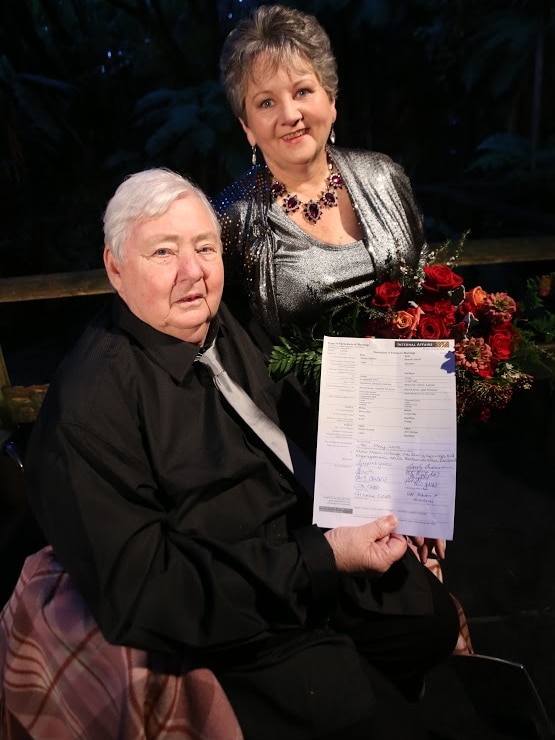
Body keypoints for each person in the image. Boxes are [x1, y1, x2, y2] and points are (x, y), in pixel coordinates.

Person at [21, 168, 458, 740]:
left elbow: (304, 416)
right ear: (114, 268)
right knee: (366, 709)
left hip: (309, 544)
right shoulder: (89, 408)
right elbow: (148, 589)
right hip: (242, 613)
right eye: (163, 252)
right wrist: (320, 560)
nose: (193, 273)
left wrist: (401, 490)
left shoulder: (227, 321)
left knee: (431, 620)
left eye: (206, 247)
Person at [213, 4, 428, 349]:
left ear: (330, 100)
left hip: (407, 396)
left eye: (302, 92)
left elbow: (428, 287)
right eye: (266, 103)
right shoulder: (230, 216)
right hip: (292, 402)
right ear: (247, 127)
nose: (290, 114)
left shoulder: (384, 177)